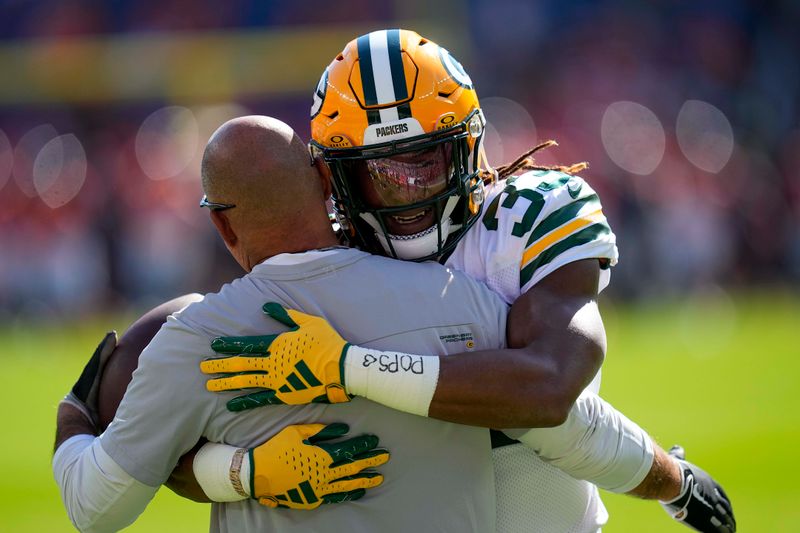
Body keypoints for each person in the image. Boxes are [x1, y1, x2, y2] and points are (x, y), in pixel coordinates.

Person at [200, 30, 734, 532]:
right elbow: (164, 419)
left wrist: (347, 367)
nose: (407, 194)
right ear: (332, 177)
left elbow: (547, 390)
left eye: (423, 162)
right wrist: (241, 471)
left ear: (470, 146)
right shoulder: (320, 257)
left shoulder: (530, 215)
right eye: (376, 173)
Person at [54, 115, 511, 533]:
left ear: (221, 225)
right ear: (328, 183)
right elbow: (562, 427)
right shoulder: (462, 296)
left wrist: (74, 412)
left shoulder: (193, 339)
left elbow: (95, 508)